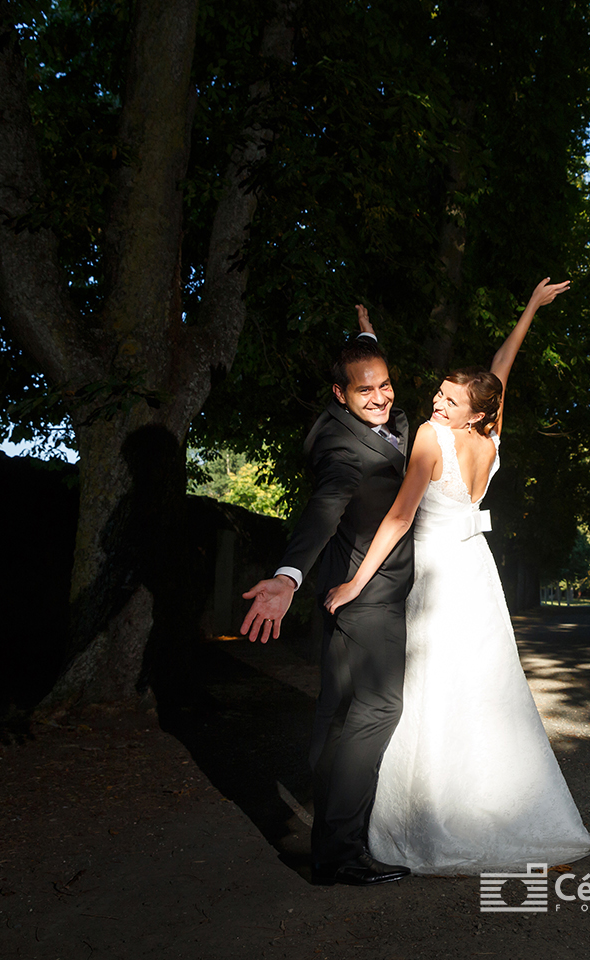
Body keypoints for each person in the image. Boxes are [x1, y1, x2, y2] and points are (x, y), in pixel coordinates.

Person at [322, 277, 590, 874]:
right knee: (481, 687)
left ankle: (427, 819)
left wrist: (354, 584)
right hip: (477, 571)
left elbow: (400, 517)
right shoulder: (490, 433)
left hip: (435, 572)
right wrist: (530, 306)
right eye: (440, 394)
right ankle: (490, 804)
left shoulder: (432, 438)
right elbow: (503, 368)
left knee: (433, 689)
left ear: (475, 410)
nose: (437, 403)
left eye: (451, 400)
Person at [238, 318, 414, 886]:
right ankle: (340, 852)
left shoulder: (374, 421)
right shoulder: (341, 449)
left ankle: (327, 828)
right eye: (365, 390)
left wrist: (368, 335)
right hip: (368, 595)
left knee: (336, 714)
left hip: (347, 596)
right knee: (379, 710)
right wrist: (288, 577)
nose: (381, 397)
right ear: (339, 394)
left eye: (385, 384)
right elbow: (324, 509)